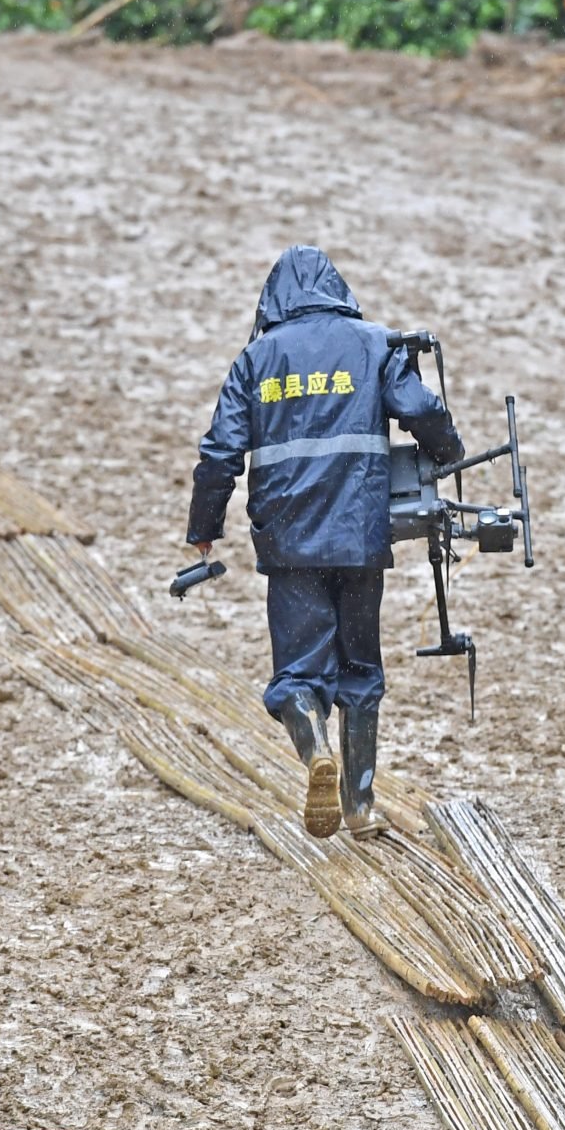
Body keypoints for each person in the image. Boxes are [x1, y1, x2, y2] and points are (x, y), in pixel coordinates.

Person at [186, 246, 463, 838]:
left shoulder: (257, 359)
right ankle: (359, 808)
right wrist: (449, 453)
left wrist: (203, 530)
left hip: (289, 543)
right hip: (361, 536)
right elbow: (421, 409)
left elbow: (219, 454)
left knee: (297, 672)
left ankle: (314, 750)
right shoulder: (375, 344)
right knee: (361, 669)